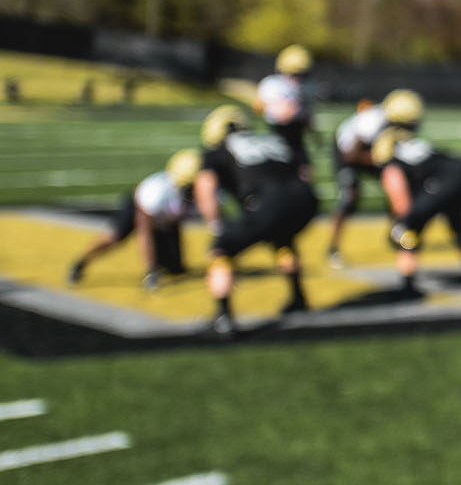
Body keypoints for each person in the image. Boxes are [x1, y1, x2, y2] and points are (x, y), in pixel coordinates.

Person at [195, 104, 318, 336]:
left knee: (221, 249)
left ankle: (223, 317)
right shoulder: (271, 141)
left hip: (268, 202)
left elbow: (206, 188)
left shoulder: (218, 151)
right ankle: (298, 297)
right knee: (282, 237)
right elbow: (304, 172)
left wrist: (216, 225)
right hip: (306, 199)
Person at [370, 90, 461, 294]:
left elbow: (402, 206)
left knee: (405, 224)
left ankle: (408, 282)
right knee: (455, 220)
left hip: (448, 181)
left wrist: (402, 221)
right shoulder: (414, 146)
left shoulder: (390, 158)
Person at [69, 149, 201, 291]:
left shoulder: (201, 189)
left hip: (165, 217)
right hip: (140, 207)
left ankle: (167, 263)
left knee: (176, 268)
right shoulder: (156, 193)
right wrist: (150, 270)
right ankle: (82, 261)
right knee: (115, 237)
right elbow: (145, 233)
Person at [325, 99, 387, 267]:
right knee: (349, 198)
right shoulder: (373, 123)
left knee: (396, 183)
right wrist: (375, 159)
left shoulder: (387, 120)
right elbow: (350, 155)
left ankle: (397, 233)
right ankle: (333, 247)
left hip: (366, 151)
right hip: (347, 153)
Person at [255, 45, 314, 178]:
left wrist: (312, 130)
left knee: (305, 174)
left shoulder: (308, 87)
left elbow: (307, 114)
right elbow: (275, 113)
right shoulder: (273, 85)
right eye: (295, 74)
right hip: (278, 136)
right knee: (280, 175)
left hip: (297, 137)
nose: (299, 79)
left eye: (302, 74)